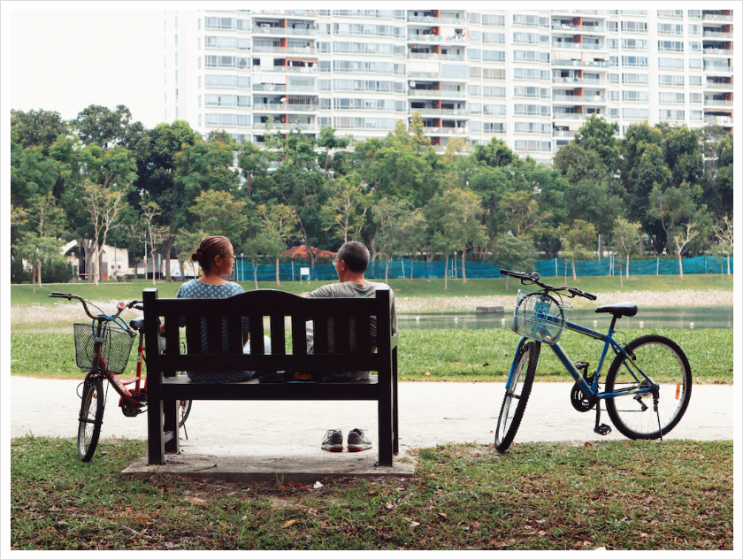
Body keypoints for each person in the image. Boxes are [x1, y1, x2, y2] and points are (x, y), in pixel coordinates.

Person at [303, 241, 398, 453]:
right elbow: (391, 334)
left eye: (336, 262)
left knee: (311, 327)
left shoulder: (327, 291)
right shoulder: (384, 291)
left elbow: (295, 311)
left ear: (342, 265)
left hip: (324, 370)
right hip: (361, 370)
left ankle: (332, 439)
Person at [161, 235, 269, 383]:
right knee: (265, 340)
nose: (233, 260)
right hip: (235, 372)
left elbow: (168, 327)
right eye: (232, 256)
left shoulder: (187, 289)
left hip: (197, 372)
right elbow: (245, 336)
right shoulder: (235, 290)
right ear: (218, 260)